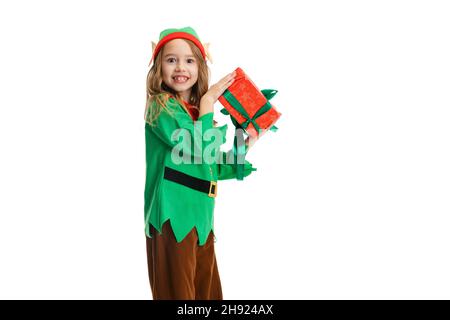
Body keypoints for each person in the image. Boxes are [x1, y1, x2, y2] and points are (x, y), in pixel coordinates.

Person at [144, 27, 256, 300]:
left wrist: (246, 137)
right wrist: (208, 101)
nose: (180, 67)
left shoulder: (197, 116)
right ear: (159, 67)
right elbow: (197, 146)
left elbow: (214, 166)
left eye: (189, 60)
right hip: (172, 218)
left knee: (207, 295)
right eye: (171, 59)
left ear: (199, 67)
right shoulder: (160, 107)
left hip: (202, 221)